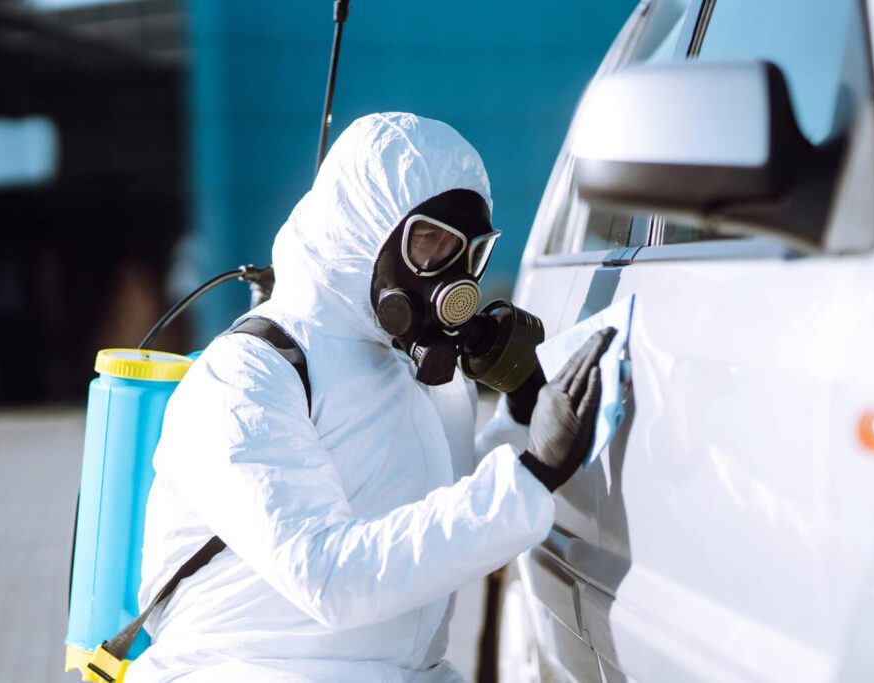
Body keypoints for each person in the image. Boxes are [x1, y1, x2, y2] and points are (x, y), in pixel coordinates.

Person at [127, 113, 614, 682]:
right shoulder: (247, 375)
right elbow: (329, 576)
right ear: (362, 230)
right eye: (430, 244)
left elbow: (451, 525)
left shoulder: (419, 374)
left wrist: (527, 414)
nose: (454, 280)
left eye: (470, 254)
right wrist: (530, 476)